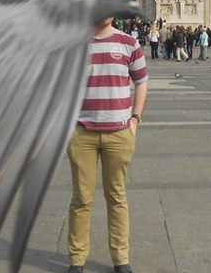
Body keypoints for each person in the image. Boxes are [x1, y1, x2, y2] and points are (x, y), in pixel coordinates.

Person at [67, 17, 148, 273]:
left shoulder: (128, 42)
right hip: (81, 133)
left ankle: (121, 260)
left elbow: (141, 80)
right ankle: (77, 261)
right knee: (81, 198)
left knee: (117, 197)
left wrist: (135, 118)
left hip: (119, 132)